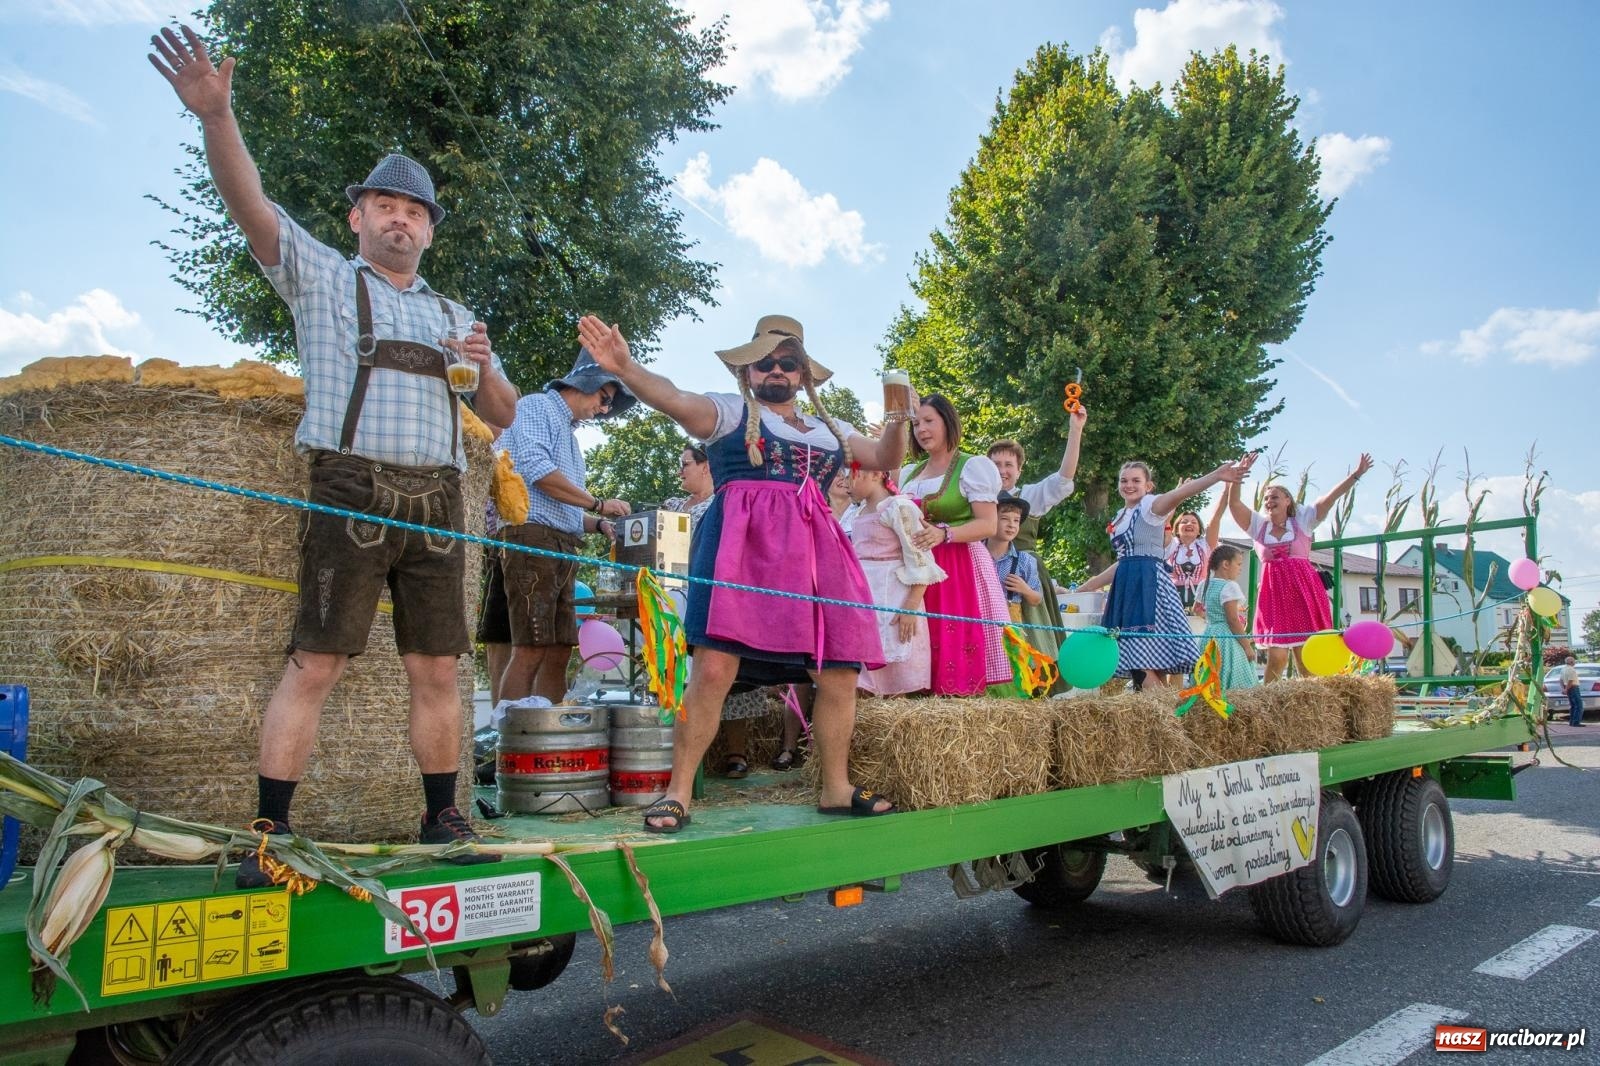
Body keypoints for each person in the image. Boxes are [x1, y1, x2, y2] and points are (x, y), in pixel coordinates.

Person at [148, 26, 520, 885]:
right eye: (386, 206)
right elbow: (254, 208)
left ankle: (444, 817)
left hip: (437, 500)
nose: (401, 217)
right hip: (348, 487)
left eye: (416, 210)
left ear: (428, 232)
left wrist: (489, 364)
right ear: (358, 219)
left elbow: (498, 416)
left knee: (437, 668)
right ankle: (268, 832)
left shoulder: (451, 314)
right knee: (315, 661)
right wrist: (216, 118)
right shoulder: (319, 275)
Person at [577, 313, 901, 831]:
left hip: (815, 553)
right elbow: (671, 396)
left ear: (803, 374)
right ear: (747, 371)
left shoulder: (830, 429)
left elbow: (886, 455)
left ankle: (836, 787)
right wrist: (626, 367)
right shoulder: (727, 413)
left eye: (788, 363)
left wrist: (898, 416)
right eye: (764, 362)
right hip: (741, 550)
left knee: (838, 671)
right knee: (713, 670)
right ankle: (678, 791)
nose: (776, 370)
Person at [496, 349, 635, 703]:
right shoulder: (535, 407)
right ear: (584, 383)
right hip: (531, 540)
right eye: (604, 399)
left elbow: (561, 506)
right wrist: (598, 503)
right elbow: (536, 471)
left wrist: (596, 523)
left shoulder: (571, 436)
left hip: (561, 544)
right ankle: (510, 743)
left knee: (559, 650)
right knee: (530, 647)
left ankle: (550, 737)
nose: (603, 410)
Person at [1077, 458, 1253, 689]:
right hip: (1127, 588)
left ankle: (1165, 716)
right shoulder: (1121, 515)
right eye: (1124, 480)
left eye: (1136, 481)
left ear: (1148, 486)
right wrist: (1083, 588)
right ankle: (1162, 715)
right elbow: (1122, 563)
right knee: (1146, 662)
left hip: (1149, 588)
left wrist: (1217, 475)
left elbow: (1178, 495)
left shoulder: (1150, 507)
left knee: (1139, 661)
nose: (1129, 485)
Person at [1226, 454, 1373, 682]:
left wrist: (1356, 475)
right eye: (1265, 498)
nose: (1268, 501)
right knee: (1277, 657)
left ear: (1288, 500)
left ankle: (1313, 706)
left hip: (1303, 593)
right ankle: (1270, 706)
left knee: (1306, 657)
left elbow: (1330, 498)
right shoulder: (1258, 526)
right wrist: (1238, 476)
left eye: (1274, 496)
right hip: (1274, 596)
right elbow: (1234, 504)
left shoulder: (1303, 519)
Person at [901, 395, 1012, 696]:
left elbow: (988, 525)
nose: (921, 430)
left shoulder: (972, 466)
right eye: (915, 424)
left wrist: (943, 533)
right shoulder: (908, 473)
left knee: (955, 643)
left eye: (928, 421)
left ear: (948, 421)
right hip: (917, 568)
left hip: (959, 565)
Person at [987, 407, 1088, 686]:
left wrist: (1075, 429)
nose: (1002, 471)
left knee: (1035, 639)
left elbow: (1063, 478)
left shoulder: (1029, 494)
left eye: (1008, 465)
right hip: (987, 572)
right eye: (996, 465)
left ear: (1019, 469)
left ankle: (1038, 687)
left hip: (1023, 574)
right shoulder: (978, 498)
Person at [850, 466, 945, 697]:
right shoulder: (860, 510)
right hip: (864, 594)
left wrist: (910, 607)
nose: (846, 482)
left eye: (852, 474)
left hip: (893, 594)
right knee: (861, 673)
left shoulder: (899, 507)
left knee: (894, 672)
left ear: (875, 474)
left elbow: (920, 559)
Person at [1197, 544, 1259, 690]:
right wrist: (1247, 647)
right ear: (1226, 564)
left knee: (1210, 672)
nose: (1240, 568)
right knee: (1230, 672)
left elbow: (1197, 609)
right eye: (1238, 564)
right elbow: (1232, 620)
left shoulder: (1203, 585)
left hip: (1209, 634)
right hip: (1226, 638)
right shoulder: (1230, 586)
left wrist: (1212, 619)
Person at [988, 491, 1044, 623]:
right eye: (1004, 519)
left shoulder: (1025, 560)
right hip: (977, 620)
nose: (1011, 525)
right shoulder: (975, 554)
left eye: (1016, 520)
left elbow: (1037, 599)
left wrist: (1025, 589)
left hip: (1010, 629)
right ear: (990, 519)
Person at [1165, 512, 1210, 615]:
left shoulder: (1204, 545)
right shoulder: (1171, 545)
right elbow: (1165, 522)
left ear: (1199, 531)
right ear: (1176, 529)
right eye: (1184, 522)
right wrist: (1175, 499)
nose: (1189, 524)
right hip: (1173, 601)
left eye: (1194, 522)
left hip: (1200, 603)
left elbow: (1216, 519)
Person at [663, 445, 713, 523]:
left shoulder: (722, 506)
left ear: (705, 468)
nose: (679, 472)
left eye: (685, 464)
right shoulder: (672, 505)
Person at [1562, 655, 1586, 727]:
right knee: (1579, 705)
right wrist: (1566, 689)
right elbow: (1571, 681)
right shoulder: (1572, 670)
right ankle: (1576, 722)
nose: (1574, 662)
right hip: (1573, 688)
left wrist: (1564, 688)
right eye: (1574, 661)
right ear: (1571, 662)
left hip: (1568, 688)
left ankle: (1572, 721)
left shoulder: (1563, 669)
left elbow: (1560, 680)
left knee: (1573, 705)